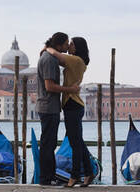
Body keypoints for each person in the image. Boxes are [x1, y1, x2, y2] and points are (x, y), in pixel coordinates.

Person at [46, 37, 94, 187]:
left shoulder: (76, 60)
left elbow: (56, 55)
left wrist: (47, 47)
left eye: (71, 44)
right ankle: (89, 173)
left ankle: (74, 177)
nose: (69, 46)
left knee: (74, 143)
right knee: (78, 141)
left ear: (78, 47)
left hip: (73, 105)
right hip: (72, 105)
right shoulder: (77, 61)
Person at [36, 32, 80, 186]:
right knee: (48, 144)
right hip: (48, 107)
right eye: (66, 43)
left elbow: (68, 62)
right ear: (59, 45)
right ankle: (46, 179)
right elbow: (49, 86)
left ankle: (48, 177)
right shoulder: (49, 60)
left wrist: (46, 48)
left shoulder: (50, 57)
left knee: (49, 143)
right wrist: (70, 89)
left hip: (49, 107)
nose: (68, 46)